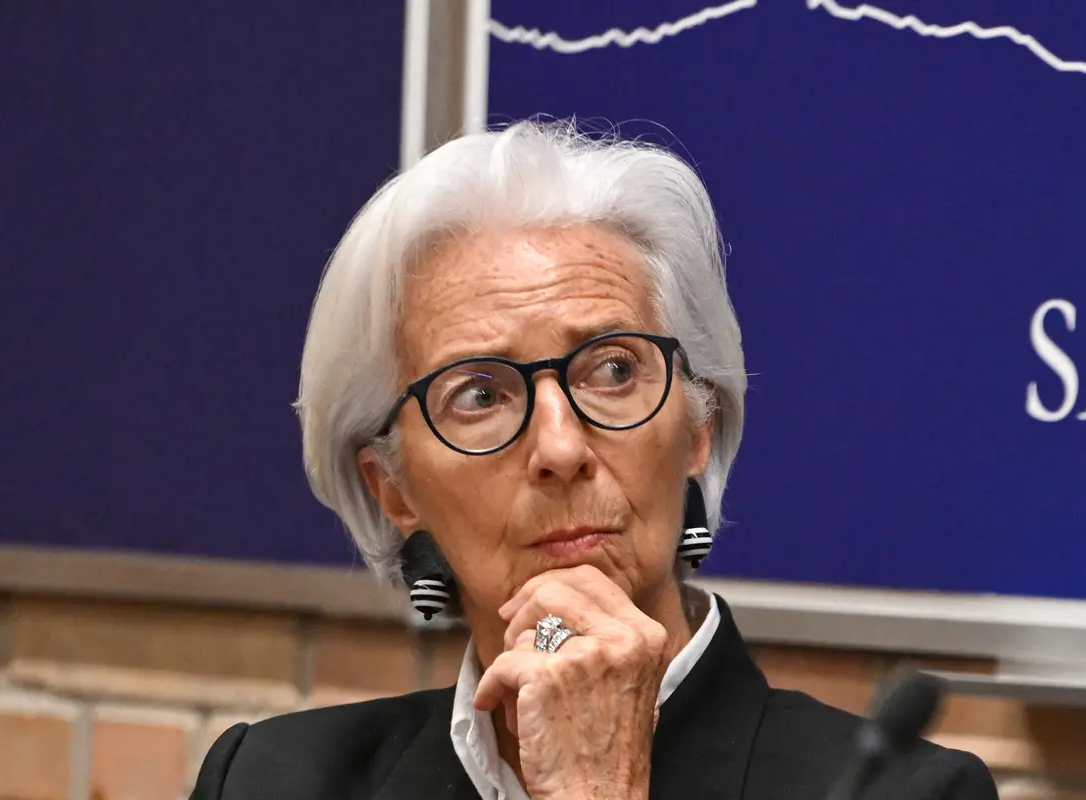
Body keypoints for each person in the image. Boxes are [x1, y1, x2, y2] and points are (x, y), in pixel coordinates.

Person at [192, 120, 997, 800]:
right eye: (480, 394)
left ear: (698, 422)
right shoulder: (270, 781)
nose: (560, 448)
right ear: (393, 487)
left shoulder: (902, 793)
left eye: (612, 370)